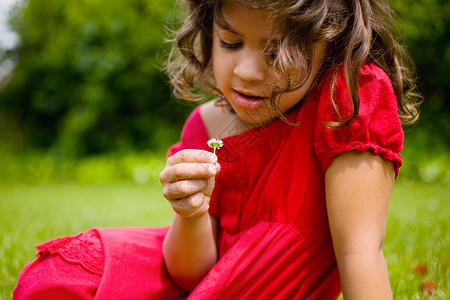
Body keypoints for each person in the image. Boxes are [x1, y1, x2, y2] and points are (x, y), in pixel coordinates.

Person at [14, 0, 422, 299]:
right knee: (56, 277)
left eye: (276, 50)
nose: (246, 71)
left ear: (328, 41)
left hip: (258, 288)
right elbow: (191, 273)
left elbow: (360, 254)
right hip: (203, 278)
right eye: (230, 42)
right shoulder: (205, 124)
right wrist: (189, 214)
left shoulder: (347, 96)